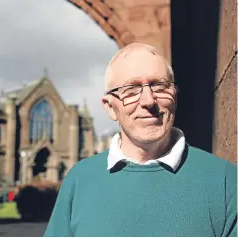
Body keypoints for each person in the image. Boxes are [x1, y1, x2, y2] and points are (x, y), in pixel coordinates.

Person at [44, 43, 237, 237]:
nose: (148, 101)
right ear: (110, 107)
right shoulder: (79, 179)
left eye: (160, 86)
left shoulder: (226, 181)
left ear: (175, 97)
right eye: (131, 90)